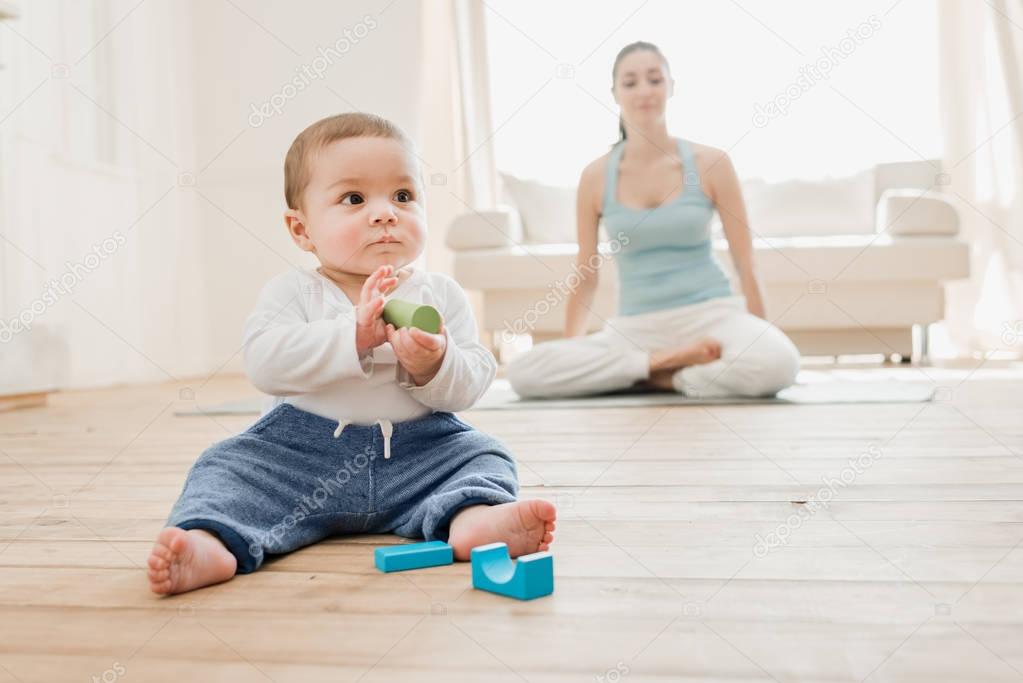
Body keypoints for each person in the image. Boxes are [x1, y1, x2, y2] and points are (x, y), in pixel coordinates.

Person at [148, 113, 555, 595]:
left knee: (483, 454)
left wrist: (434, 363)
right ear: (302, 230)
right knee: (223, 467)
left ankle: (474, 520)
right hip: (298, 460)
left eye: (403, 196)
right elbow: (264, 363)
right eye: (354, 199)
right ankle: (210, 542)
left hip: (418, 456)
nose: (385, 213)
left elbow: (472, 381)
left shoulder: (439, 294)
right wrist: (353, 336)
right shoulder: (293, 292)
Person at [508, 41, 800, 400]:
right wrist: (574, 355)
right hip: (636, 328)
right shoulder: (596, 176)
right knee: (524, 373)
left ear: (671, 87)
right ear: (615, 93)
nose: (644, 91)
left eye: (654, 79)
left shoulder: (712, 163)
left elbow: (745, 261)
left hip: (712, 317)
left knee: (779, 364)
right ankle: (664, 364)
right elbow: (586, 273)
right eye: (630, 82)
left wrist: (759, 330)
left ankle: (664, 378)